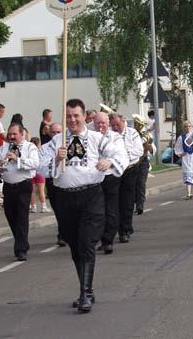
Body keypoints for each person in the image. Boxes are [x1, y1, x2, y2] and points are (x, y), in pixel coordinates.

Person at [40, 99, 127, 313]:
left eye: (76, 115)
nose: (72, 120)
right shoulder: (56, 141)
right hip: (65, 199)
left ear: (83, 116)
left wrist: (109, 162)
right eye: (68, 116)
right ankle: (86, 288)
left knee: (87, 242)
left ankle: (85, 293)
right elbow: (40, 167)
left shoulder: (97, 139)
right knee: (75, 245)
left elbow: (120, 154)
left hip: (91, 196)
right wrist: (54, 159)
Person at [0, 123, 39, 261]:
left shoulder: (30, 147)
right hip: (8, 186)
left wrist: (17, 159)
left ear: (21, 134)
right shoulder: (3, 148)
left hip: (23, 185)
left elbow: (35, 163)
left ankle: (20, 249)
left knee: (22, 217)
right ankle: (22, 241)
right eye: (10, 134)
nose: (11, 137)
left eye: (14, 134)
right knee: (11, 215)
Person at [93, 112, 129, 254]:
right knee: (96, 210)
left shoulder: (115, 137)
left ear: (108, 123)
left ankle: (108, 240)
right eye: (98, 123)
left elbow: (121, 154)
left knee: (111, 208)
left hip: (110, 176)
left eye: (103, 123)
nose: (101, 126)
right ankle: (99, 238)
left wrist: (110, 161)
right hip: (94, 177)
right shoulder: (90, 136)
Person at [110, 113, 144, 243]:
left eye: (117, 125)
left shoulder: (132, 133)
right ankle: (116, 228)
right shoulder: (110, 135)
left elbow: (139, 151)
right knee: (114, 201)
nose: (115, 127)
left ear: (123, 121)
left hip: (130, 169)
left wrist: (123, 154)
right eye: (113, 125)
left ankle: (125, 229)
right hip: (115, 170)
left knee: (127, 201)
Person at [36, 122, 65, 246]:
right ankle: (62, 234)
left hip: (66, 181)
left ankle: (68, 232)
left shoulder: (68, 144)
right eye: (53, 132)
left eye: (58, 132)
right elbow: (41, 165)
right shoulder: (45, 148)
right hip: (52, 181)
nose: (56, 135)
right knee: (58, 209)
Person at [134, 116, 156, 215]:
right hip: (133, 162)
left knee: (141, 184)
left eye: (138, 124)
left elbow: (153, 149)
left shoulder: (146, 135)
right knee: (132, 184)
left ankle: (140, 206)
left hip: (143, 162)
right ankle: (133, 203)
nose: (136, 126)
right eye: (135, 124)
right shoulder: (132, 134)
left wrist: (150, 148)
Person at [174, 121, 193, 199]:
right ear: (184, 127)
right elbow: (177, 147)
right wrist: (181, 153)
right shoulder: (181, 137)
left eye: (189, 126)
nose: (188, 128)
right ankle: (189, 193)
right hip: (186, 158)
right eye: (186, 126)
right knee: (188, 173)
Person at [29, 137, 49, 213]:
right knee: (41, 190)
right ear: (38, 144)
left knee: (32, 191)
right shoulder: (40, 151)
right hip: (39, 172)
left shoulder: (30, 152)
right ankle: (43, 206)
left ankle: (33, 206)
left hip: (32, 172)